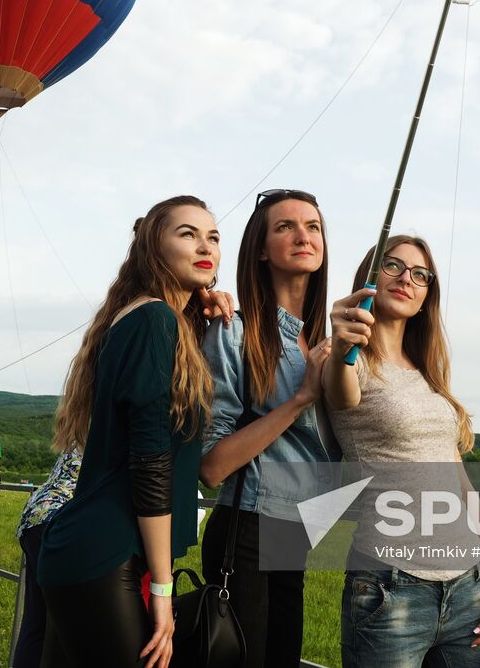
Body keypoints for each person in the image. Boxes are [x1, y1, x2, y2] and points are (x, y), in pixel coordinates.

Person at [37, 195, 221, 668]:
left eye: (213, 236)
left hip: (90, 549)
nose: (205, 245)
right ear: (152, 249)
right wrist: (163, 588)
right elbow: (150, 460)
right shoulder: (155, 319)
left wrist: (201, 313)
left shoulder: (147, 318)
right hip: (108, 555)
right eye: (187, 233)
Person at [324, 236, 480, 668]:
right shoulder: (347, 360)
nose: (405, 279)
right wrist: (340, 348)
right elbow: (340, 394)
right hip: (390, 589)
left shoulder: (428, 374)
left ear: (428, 294)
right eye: (392, 266)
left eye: (420, 274)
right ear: (370, 278)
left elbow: (461, 484)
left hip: (469, 587)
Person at [198, 189, 336, 668]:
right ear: (260, 248)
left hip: (293, 534)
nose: (303, 235)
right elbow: (211, 467)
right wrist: (301, 399)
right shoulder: (233, 330)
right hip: (247, 526)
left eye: (313, 226)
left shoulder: (330, 343)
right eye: (286, 227)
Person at [12, 445, 82, 668]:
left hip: (35, 518)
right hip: (59, 520)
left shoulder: (79, 427)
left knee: (36, 617)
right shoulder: (108, 422)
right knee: (70, 625)